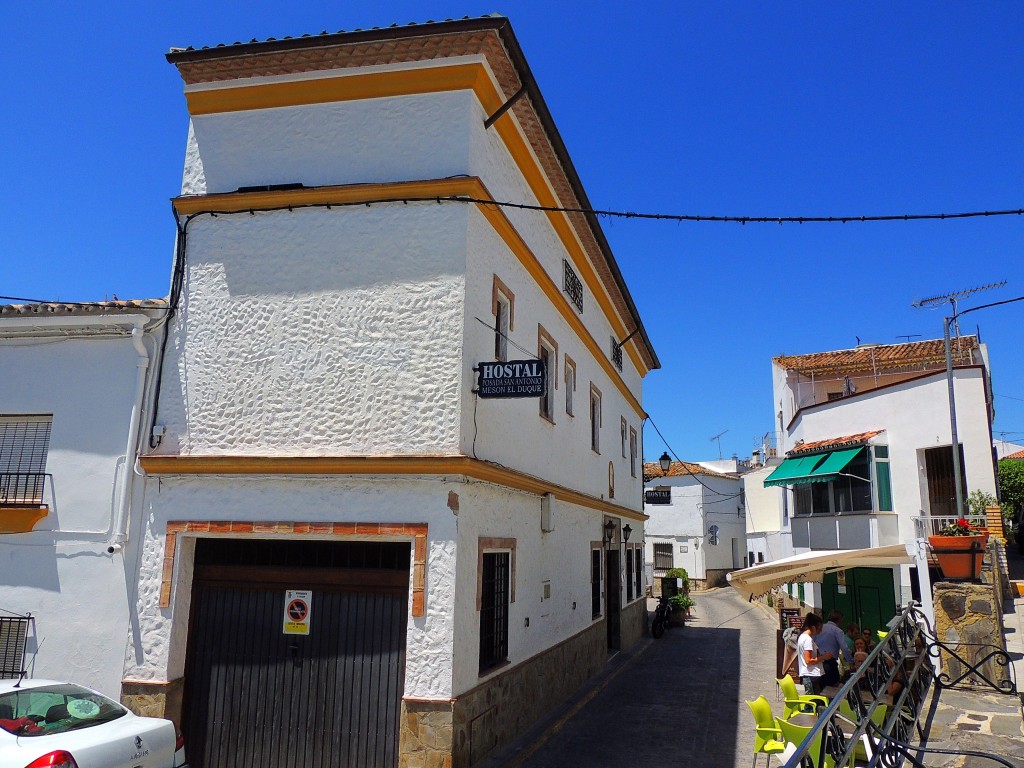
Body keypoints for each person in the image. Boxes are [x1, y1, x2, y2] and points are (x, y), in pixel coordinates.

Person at [797, 612, 832, 695]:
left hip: (809, 675)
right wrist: (824, 657)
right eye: (819, 628)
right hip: (811, 675)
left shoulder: (802, 637)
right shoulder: (808, 640)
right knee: (812, 702)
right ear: (813, 627)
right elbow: (808, 661)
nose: (820, 631)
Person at [817, 610, 852, 686]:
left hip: (818, 662)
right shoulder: (837, 631)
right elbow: (844, 648)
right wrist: (850, 662)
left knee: (821, 688)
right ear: (839, 620)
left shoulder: (819, 628)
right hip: (830, 663)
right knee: (833, 687)